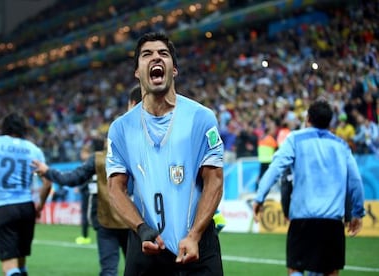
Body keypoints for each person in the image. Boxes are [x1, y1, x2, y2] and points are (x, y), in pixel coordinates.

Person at [106, 32, 224, 275]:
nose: (155, 58)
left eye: (164, 54)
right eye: (146, 54)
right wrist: (141, 228)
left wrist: (194, 235)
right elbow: (115, 188)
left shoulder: (201, 118)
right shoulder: (121, 129)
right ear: (137, 72)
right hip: (146, 245)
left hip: (197, 246)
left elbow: (214, 180)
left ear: (174, 69)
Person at [31, 85, 142, 276]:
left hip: (107, 221)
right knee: (137, 270)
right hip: (136, 221)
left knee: (109, 270)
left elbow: (71, 178)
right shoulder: (143, 153)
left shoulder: (99, 158)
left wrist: (48, 171)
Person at [252, 99, 365, 276]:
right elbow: (355, 180)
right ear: (330, 122)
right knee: (330, 271)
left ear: (308, 119)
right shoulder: (341, 145)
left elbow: (276, 168)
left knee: (296, 268)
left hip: (302, 220)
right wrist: (357, 212)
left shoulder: (295, 139)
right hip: (332, 221)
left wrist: (259, 197)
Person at [0, 112, 52, 276]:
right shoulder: (33, 149)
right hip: (27, 207)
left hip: (5, 207)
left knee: (9, 266)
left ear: (4, 127)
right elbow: (48, 182)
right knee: (21, 264)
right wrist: (40, 205)